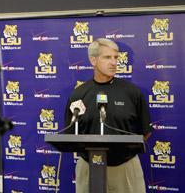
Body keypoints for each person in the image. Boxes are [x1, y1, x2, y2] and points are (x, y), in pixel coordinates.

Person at [64, 38, 152, 193]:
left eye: (116, 57)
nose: (114, 62)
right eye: (107, 57)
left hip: (125, 168)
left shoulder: (132, 92)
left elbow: (145, 132)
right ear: (93, 60)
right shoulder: (78, 94)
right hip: (89, 166)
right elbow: (70, 133)